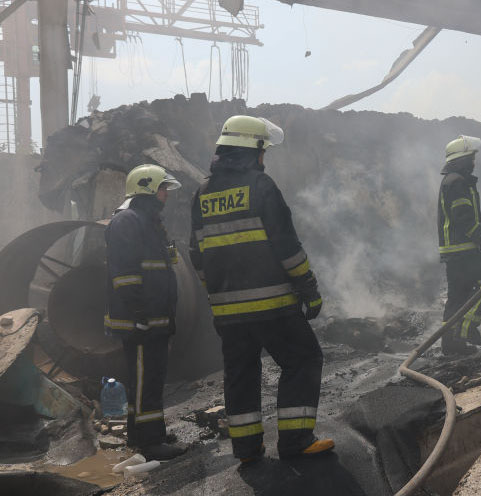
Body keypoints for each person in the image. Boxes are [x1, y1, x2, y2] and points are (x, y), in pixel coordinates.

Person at [189, 115, 333, 464]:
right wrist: (309, 288)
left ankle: (247, 449)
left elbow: (197, 256)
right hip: (273, 306)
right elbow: (287, 248)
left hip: (227, 312)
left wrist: (218, 297)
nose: (264, 157)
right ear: (253, 150)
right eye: (263, 150)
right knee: (303, 359)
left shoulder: (202, 194)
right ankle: (296, 440)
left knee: (241, 373)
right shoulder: (261, 186)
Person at [105, 164, 187, 461]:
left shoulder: (148, 221)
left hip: (154, 318)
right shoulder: (128, 221)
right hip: (141, 320)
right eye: (162, 188)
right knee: (145, 379)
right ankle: (150, 442)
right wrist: (138, 312)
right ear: (148, 188)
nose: (166, 194)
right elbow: (125, 274)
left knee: (148, 378)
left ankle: (144, 433)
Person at [437, 135, 481, 355]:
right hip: (464, 250)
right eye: (471, 158)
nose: (474, 162)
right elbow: (464, 217)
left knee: (457, 298)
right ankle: (466, 332)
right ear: (462, 159)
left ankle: (451, 344)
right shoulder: (457, 182)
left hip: (457, 252)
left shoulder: (452, 180)